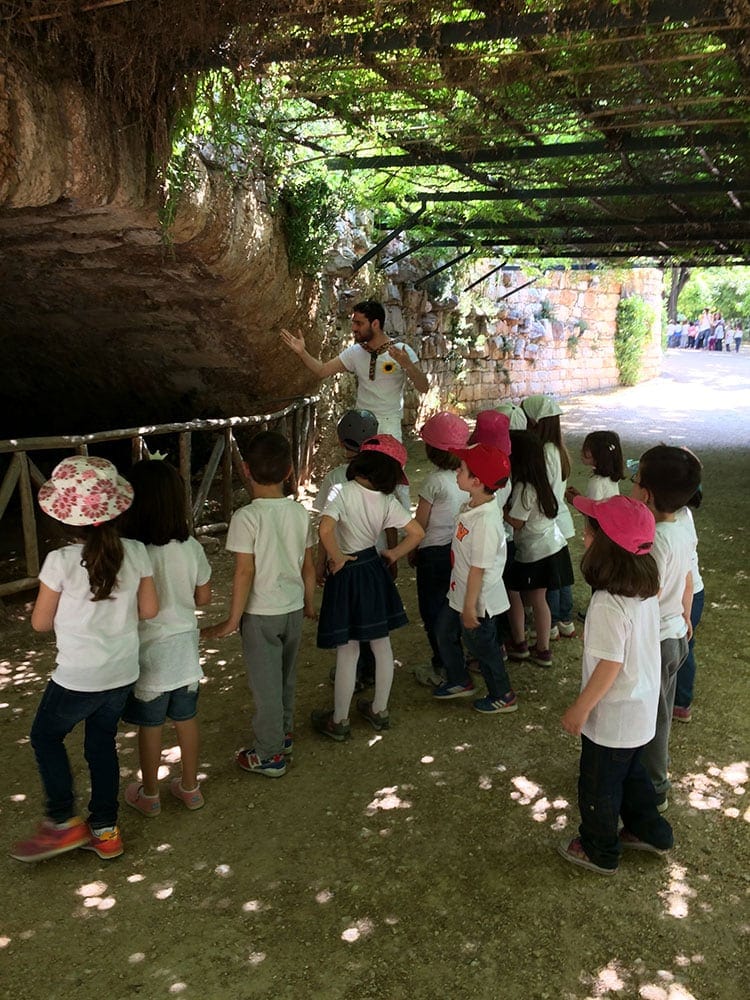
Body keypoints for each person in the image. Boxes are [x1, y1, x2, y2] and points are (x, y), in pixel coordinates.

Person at [11, 457, 158, 863]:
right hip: (122, 671)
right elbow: (149, 610)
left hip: (78, 675)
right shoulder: (136, 552)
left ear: (63, 518)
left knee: (45, 736)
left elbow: (40, 623)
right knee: (101, 743)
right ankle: (106, 831)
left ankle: (62, 820)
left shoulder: (59, 562)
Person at [558, 495, 673, 875]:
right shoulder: (645, 589)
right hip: (640, 713)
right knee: (635, 779)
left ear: (603, 545)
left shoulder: (608, 604)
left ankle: (599, 849)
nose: (584, 534)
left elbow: (610, 665)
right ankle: (651, 832)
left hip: (612, 720)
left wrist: (581, 707)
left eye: (589, 529)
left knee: (598, 788)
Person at [203, 432, 316, 777]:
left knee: (265, 686)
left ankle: (269, 755)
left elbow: (244, 572)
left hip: (260, 614)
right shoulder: (299, 513)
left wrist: (232, 619)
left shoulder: (246, 518)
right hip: (293, 608)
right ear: (289, 471)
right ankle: (283, 735)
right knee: (285, 677)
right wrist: (309, 604)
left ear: (247, 470)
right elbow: (308, 566)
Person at [312, 435, 424, 739]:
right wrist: (394, 553)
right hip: (373, 569)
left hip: (347, 572)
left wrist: (336, 557)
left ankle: (340, 719)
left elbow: (324, 528)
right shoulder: (386, 501)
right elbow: (416, 532)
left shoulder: (341, 492)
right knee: (381, 643)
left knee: (347, 650)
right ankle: (379, 709)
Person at [120, 460, 212, 815]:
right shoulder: (191, 547)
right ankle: (190, 787)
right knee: (186, 719)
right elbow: (203, 598)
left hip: (149, 652)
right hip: (185, 649)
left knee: (150, 725)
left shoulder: (133, 551)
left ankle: (150, 793)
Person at [631, 445, 702, 810]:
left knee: (655, 717)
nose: (632, 484)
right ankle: (642, 773)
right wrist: (686, 616)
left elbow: (650, 593)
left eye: (636, 478)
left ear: (647, 494)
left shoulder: (656, 539)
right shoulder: (683, 525)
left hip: (657, 639)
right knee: (659, 709)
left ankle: (655, 789)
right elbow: (688, 578)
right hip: (674, 633)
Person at [432, 443, 518, 714]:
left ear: (477, 482)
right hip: (459, 592)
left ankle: (502, 694)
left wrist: (470, 608)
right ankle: (459, 679)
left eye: (463, 469)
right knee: (444, 632)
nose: (457, 470)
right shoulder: (471, 506)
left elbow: (479, 569)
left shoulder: (485, 521)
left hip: (476, 600)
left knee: (482, 648)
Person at [280, 299, 428, 440]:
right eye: (353, 323)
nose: (353, 328)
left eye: (359, 323)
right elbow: (322, 371)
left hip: (389, 426)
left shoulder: (402, 350)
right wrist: (302, 352)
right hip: (361, 423)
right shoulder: (355, 352)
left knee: (389, 466)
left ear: (375, 324)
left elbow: (424, 387)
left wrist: (408, 365)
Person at [313, 408, 381, 692]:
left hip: (342, 559)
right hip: (374, 556)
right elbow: (392, 521)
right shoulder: (383, 472)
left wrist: (320, 562)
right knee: (373, 617)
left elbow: (323, 525)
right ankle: (371, 670)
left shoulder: (334, 478)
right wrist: (390, 553)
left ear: (341, 442)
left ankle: (351, 673)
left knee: (348, 621)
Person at [504, 430, 574, 668]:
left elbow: (517, 522)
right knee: (538, 599)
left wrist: (499, 510)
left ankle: (522, 643)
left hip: (535, 552)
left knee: (515, 592)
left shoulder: (524, 487)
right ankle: (541, 648)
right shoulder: (541, 479)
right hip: (552, 546)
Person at [410, 412, 471, 687]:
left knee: (432, 610)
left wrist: (410, 550)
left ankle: (442, 665)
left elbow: (420, 524)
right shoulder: (466, 478)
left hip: (433, 554)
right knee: (453, 607)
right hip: (457, 551)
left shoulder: (433, 483)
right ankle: (456, 657)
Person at [522, 395, 576, 640]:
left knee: (549, 580)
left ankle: (551, 622)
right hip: (557, 517)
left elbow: (540, 488)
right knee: (560, 576)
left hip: (544, 519)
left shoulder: (543, 451)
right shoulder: (558, 448)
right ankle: (564, 618)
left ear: (534, 420)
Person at [672, 488, 705, 724]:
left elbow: (685, 577)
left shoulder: (675, 524)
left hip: (686, 594)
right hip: (688, 593)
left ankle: (681, 702)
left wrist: (685, 612)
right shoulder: (680, 512)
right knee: (681, 646)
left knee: (682, 647)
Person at [565, 430, 624, 503]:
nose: (581, 450)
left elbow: (591, 511)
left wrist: (574, 500)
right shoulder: (612, 478)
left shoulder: (596, 482)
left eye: (586, 449)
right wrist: (579, 497)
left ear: (598, 455)